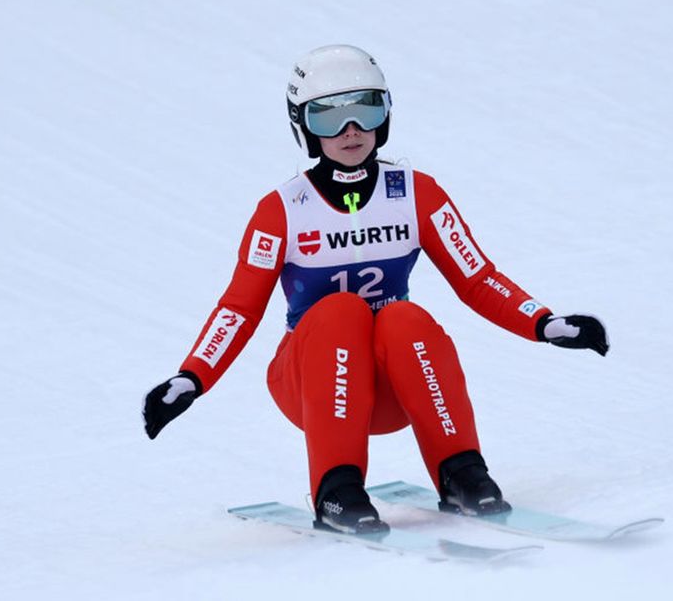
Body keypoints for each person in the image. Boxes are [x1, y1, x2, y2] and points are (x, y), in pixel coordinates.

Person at [142, 45, 608, 535]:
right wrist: (192, 377)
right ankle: (336, 490)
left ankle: (461, 472)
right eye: (329, 117)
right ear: (302, 125)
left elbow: (477, 277)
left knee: (404, 318)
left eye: (365, 111)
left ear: (385, 115)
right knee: (340, 311)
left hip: (394, 385)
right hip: (310, 383)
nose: (350, 131)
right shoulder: (282, 210)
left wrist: (545, 322)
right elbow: (239, 308)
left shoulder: (415, 193)